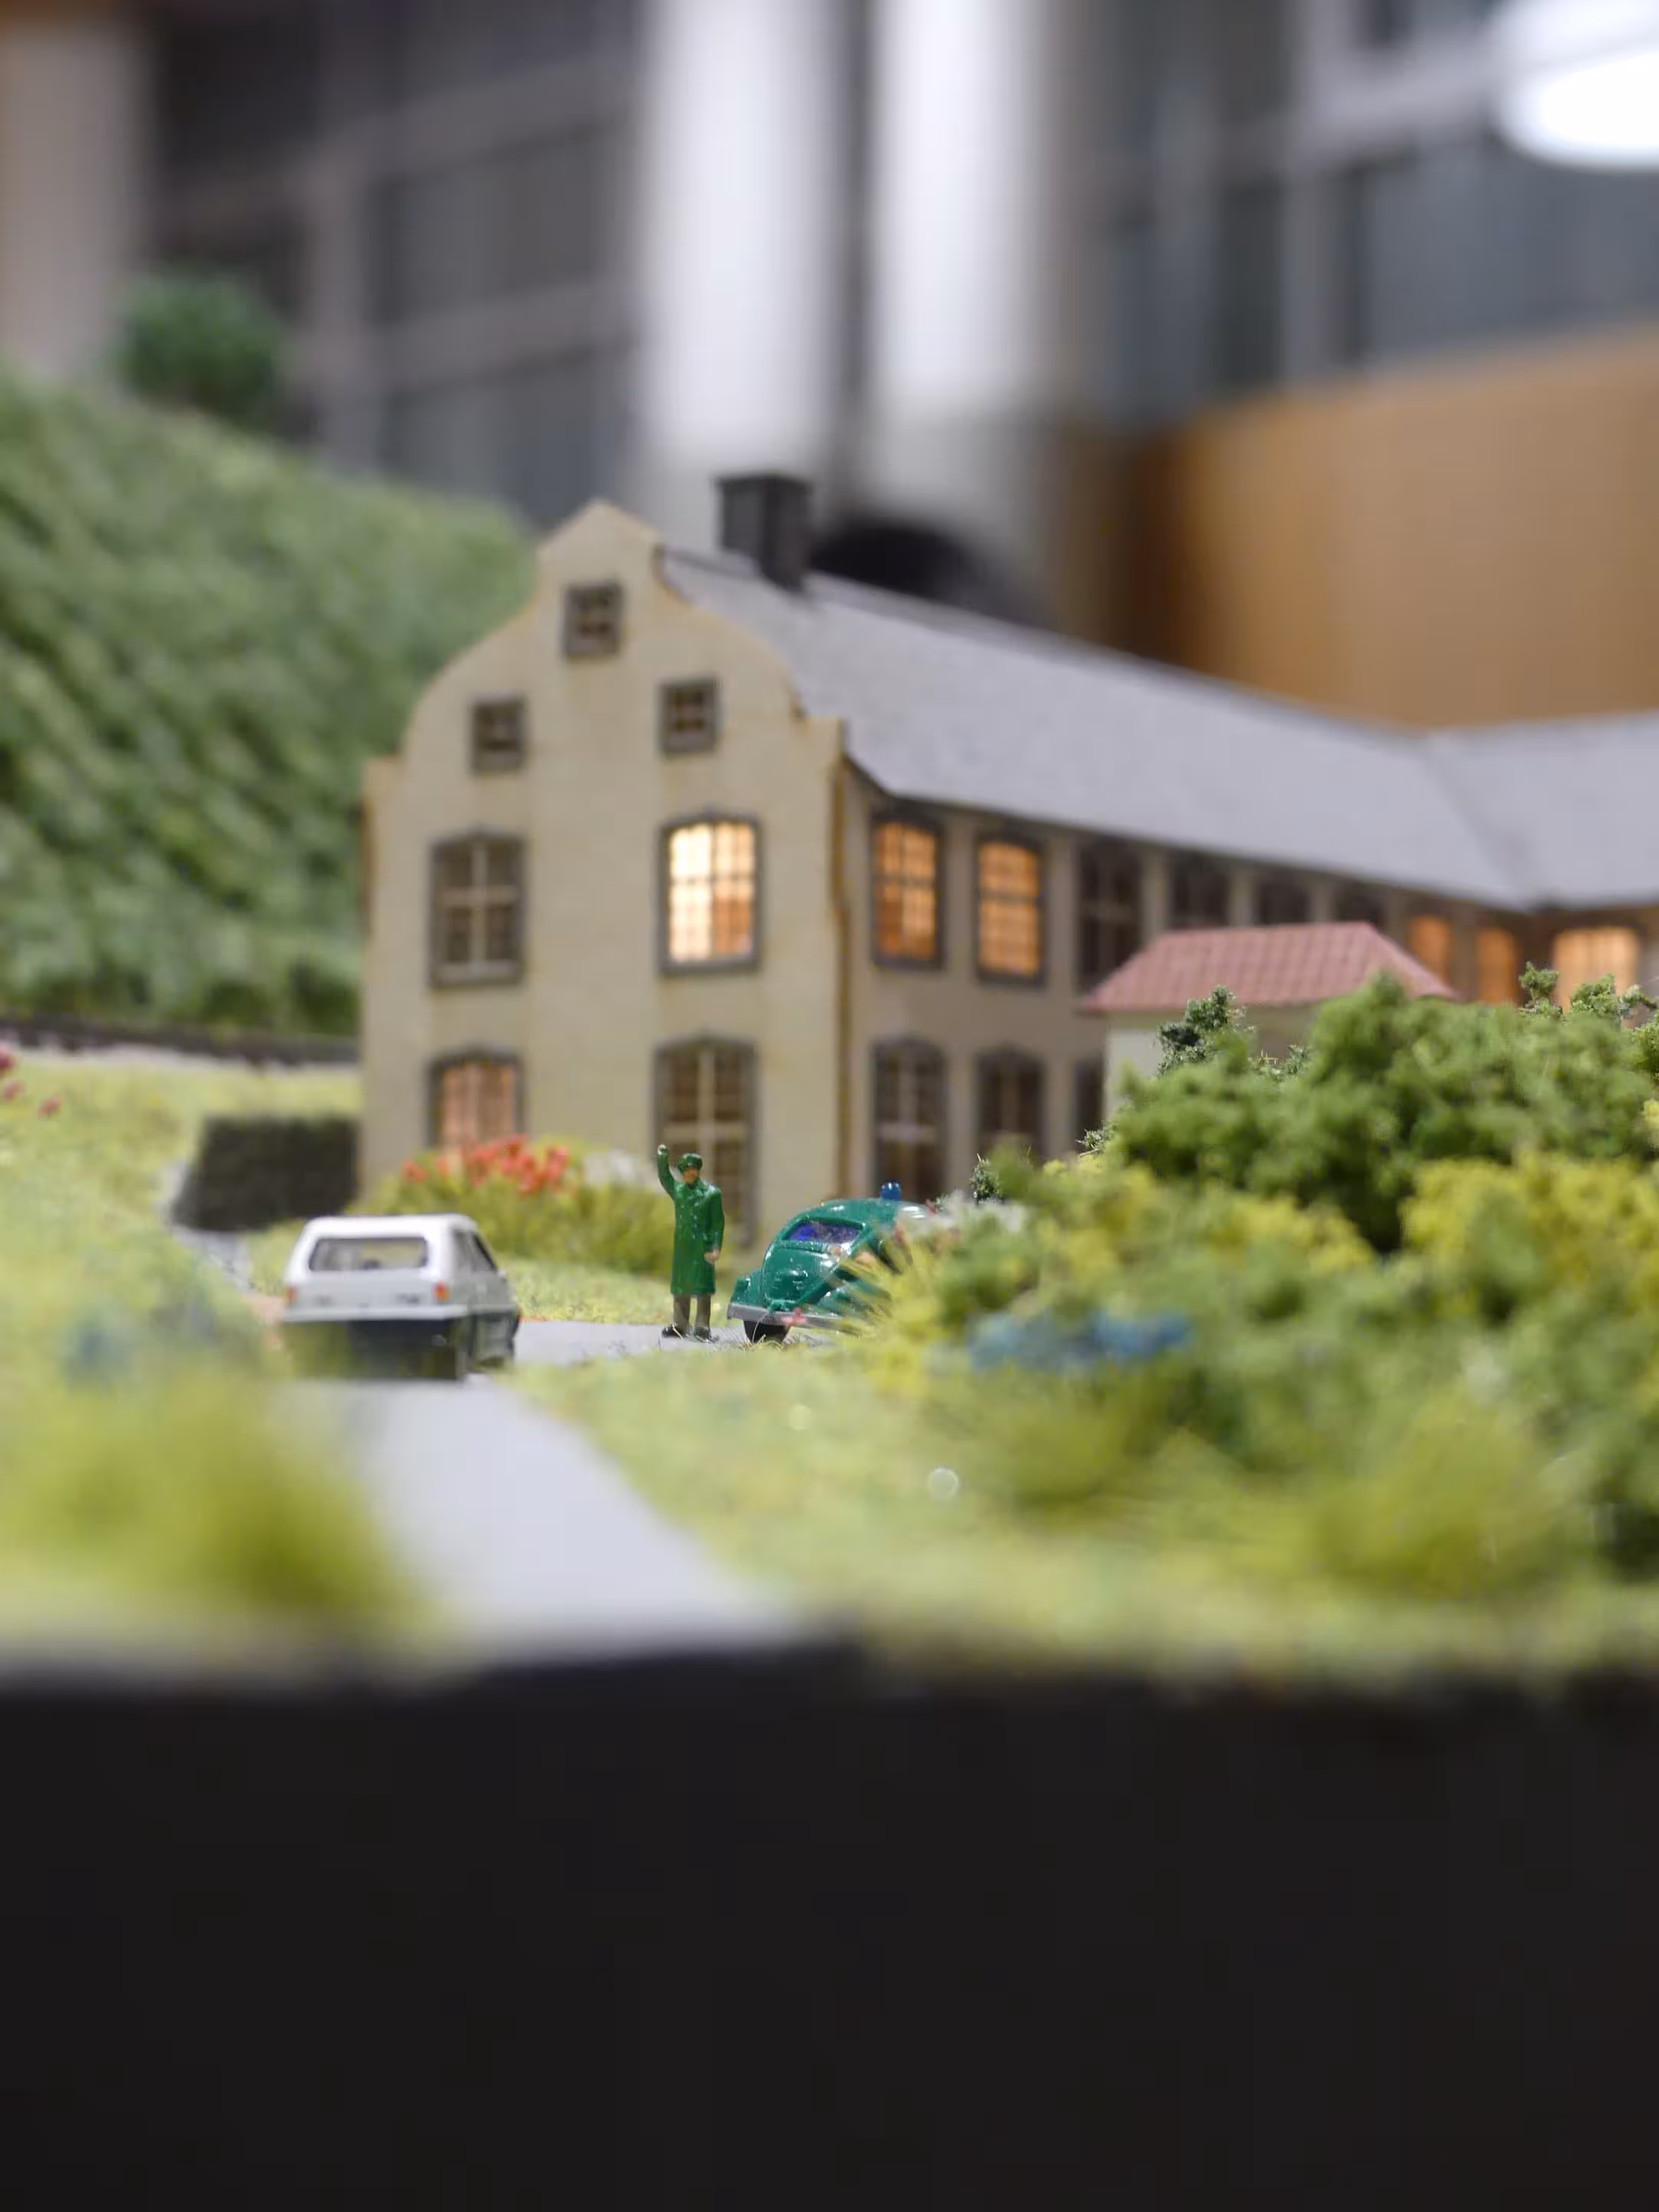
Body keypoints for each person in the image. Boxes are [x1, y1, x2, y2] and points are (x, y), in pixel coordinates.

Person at [656, 1146, 724, 1342]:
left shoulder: (712, 1194)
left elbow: (717, 1224)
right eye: (685, 1171)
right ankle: (681, 1324)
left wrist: (716, 1247)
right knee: (681, 1286)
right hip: (683, 1247)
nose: (689, 1174)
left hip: (702, 1247)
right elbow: (665, 1178)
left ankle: (702, 1327)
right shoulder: (679, 1192)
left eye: (692, 1170)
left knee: (703, 1288)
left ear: (698, 1170)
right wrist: (662, 1158)